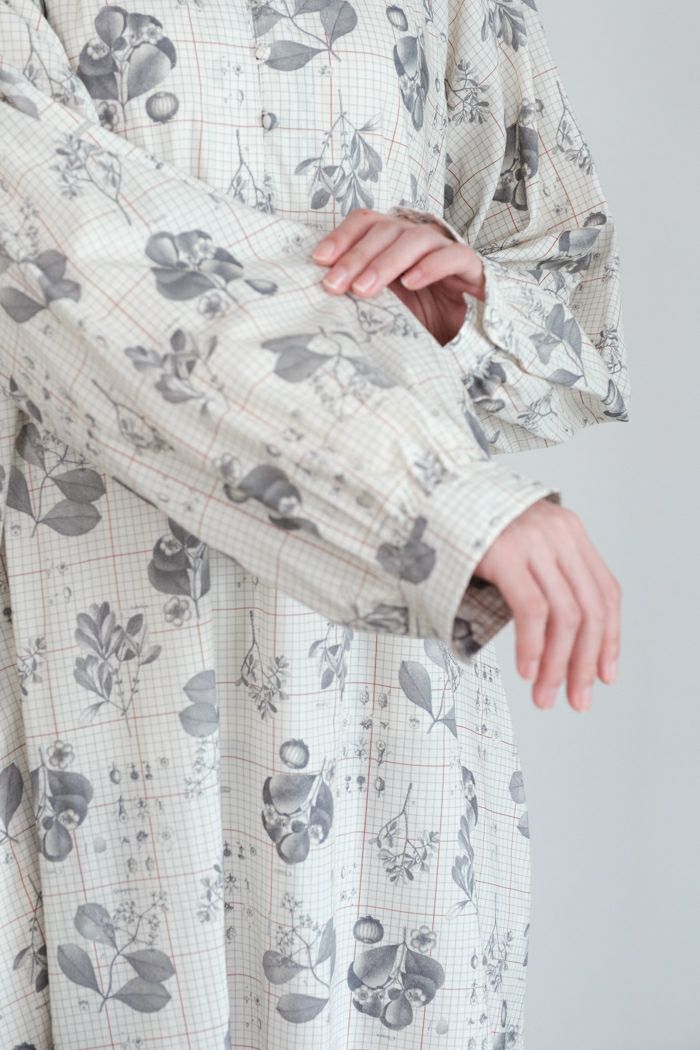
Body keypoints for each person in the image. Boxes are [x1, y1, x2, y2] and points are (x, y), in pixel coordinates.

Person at [0, 0, 629, 1047]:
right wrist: (438, 500)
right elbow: (68, 262)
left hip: (387, 713)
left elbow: (572, 307)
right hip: (107, 685)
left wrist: (460, 302)